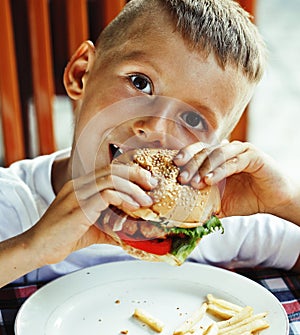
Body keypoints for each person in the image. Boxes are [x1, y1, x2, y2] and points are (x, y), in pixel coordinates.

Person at [0, 0, 300, 288]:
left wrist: (286, 201)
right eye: (140, 83)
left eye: (193, 120)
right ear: (81, 73)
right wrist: (32, 247)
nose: (156, 129)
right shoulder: (13, 204)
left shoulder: (219, 222)